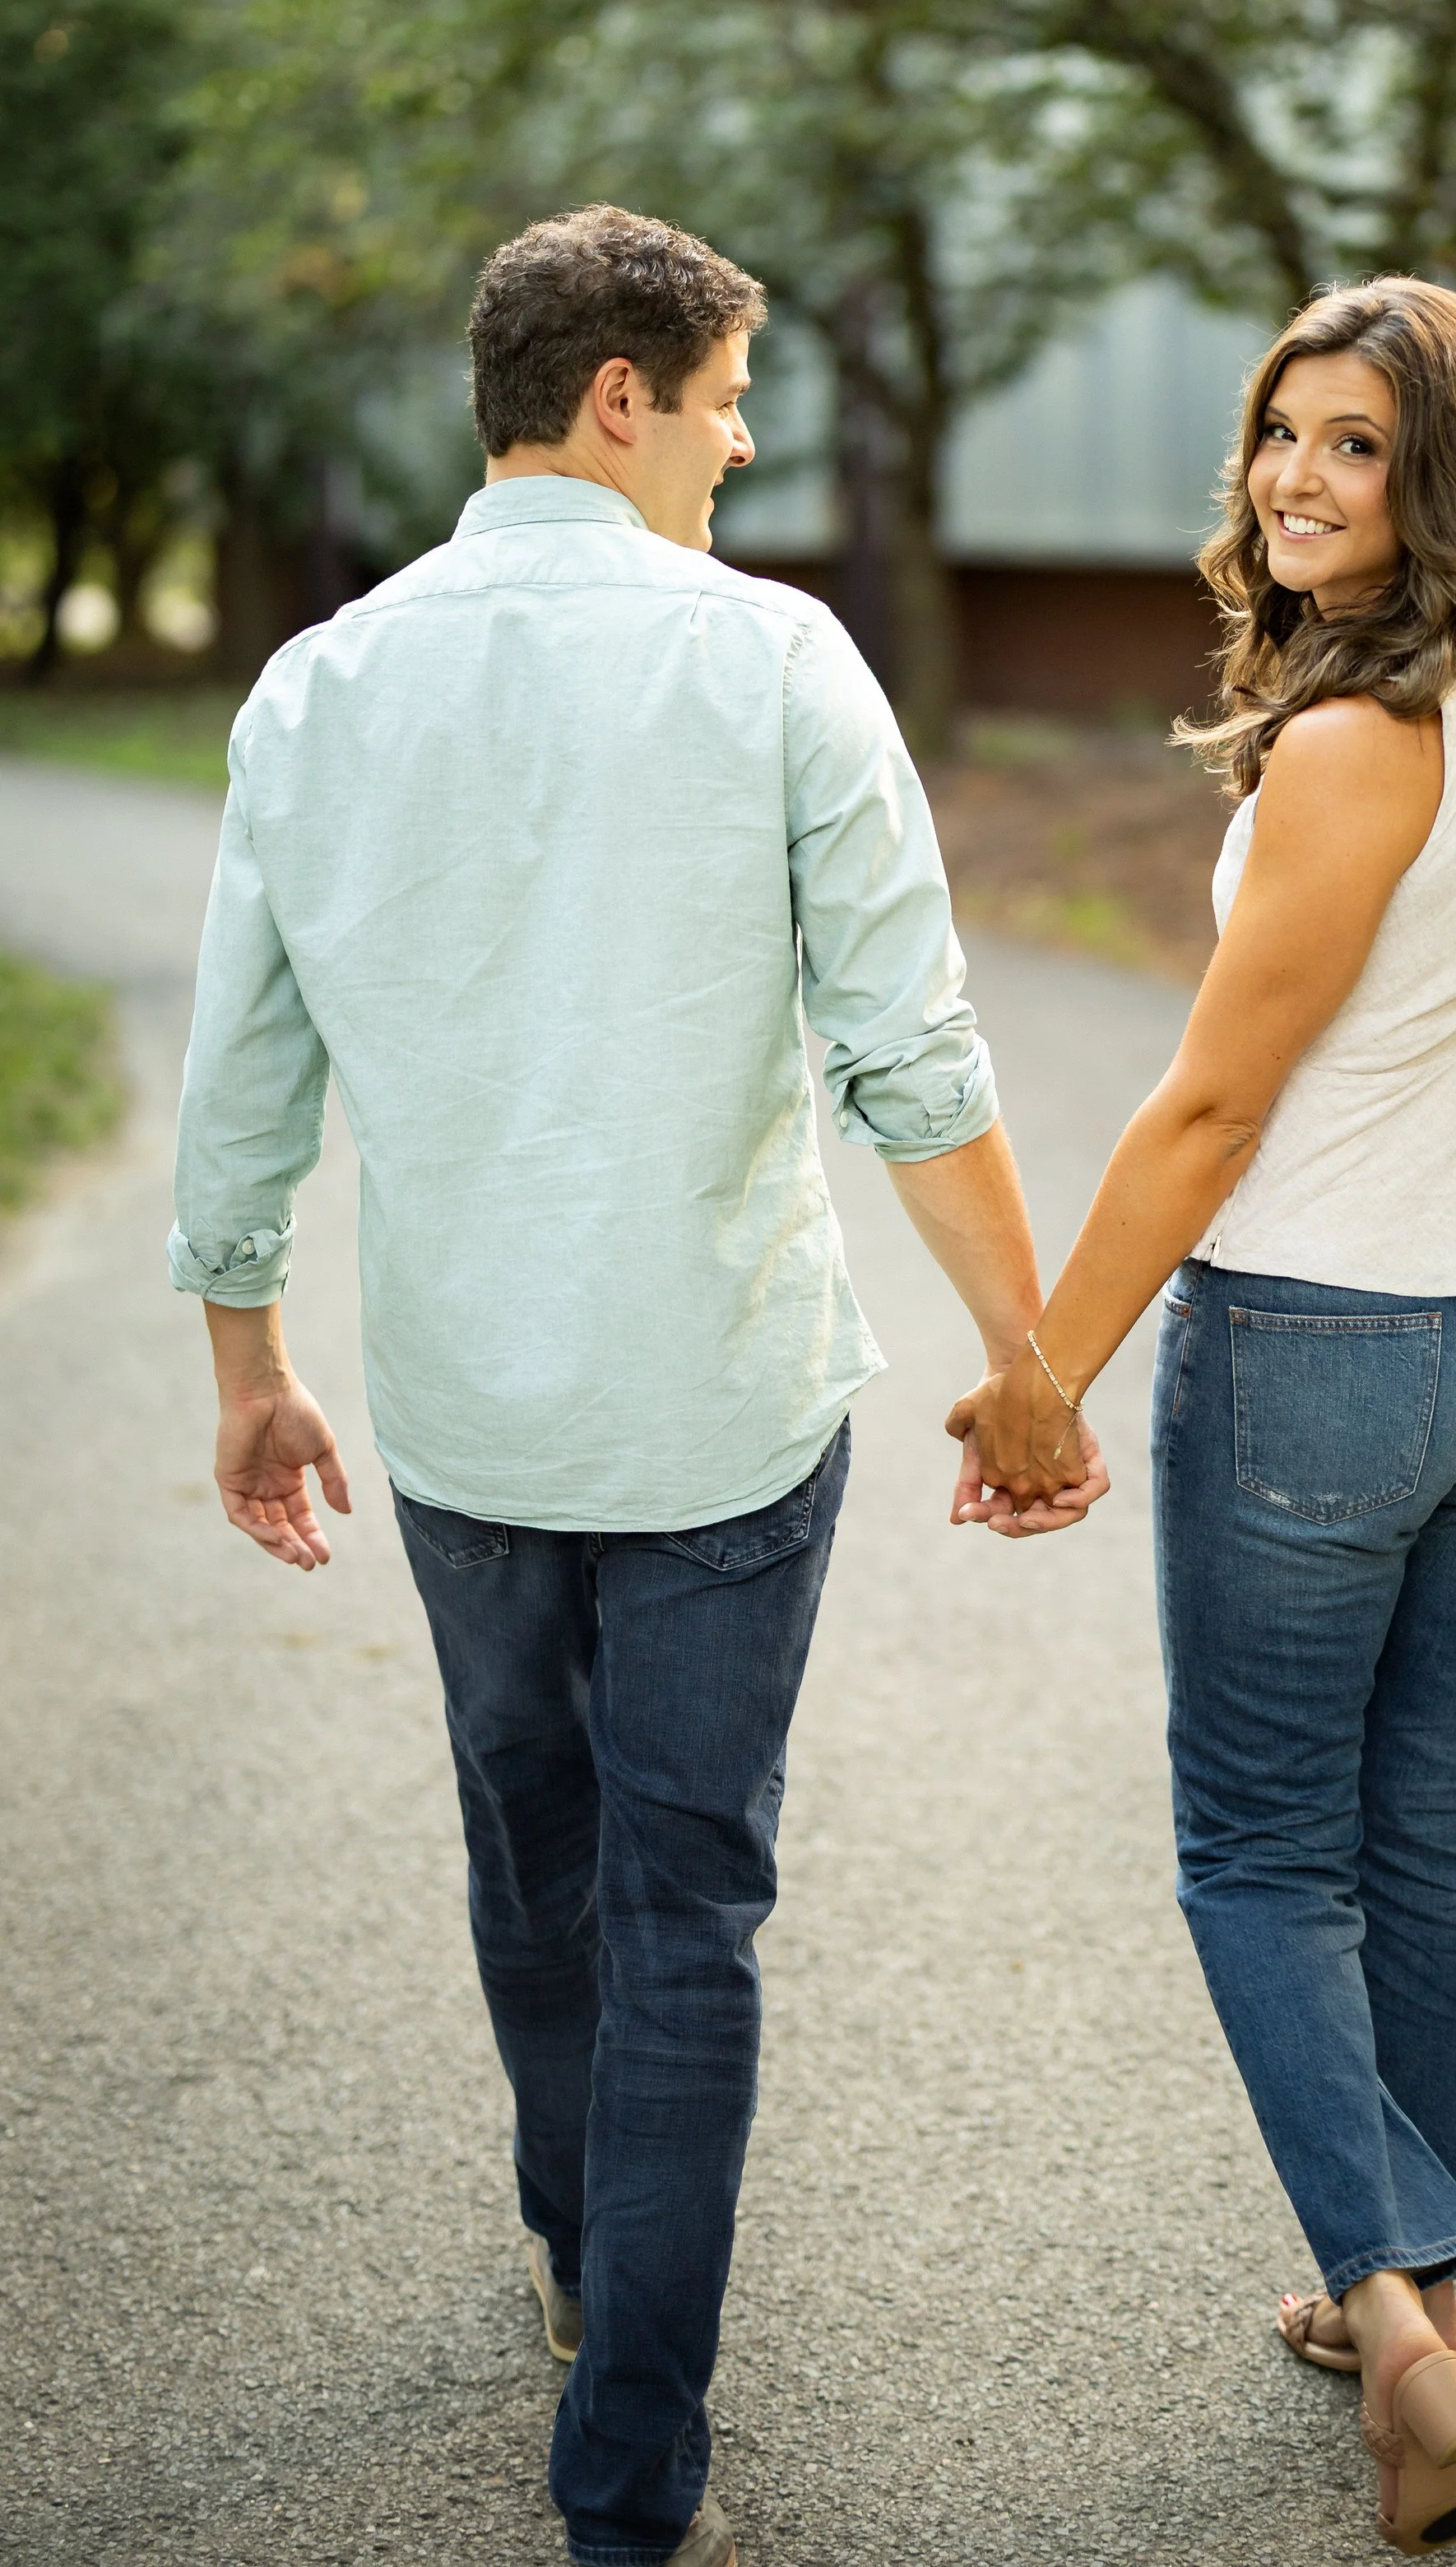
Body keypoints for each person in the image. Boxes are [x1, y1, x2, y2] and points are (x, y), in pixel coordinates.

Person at [169, 204, 1101, 2567]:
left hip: (469, 1419)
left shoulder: (318, 686)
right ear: (620, 396)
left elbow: (241, 1081)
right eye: (722, 403)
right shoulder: (777, 662)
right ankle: (629, 2462)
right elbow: (913, 1052)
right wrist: (1029, 1356)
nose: (740, 443)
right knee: (686, 1905)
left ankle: (594, 2247)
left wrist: (252, 1366)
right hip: (717, 1414)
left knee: (532, 1841)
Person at [952, 278, 1456, 2554]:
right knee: (1438, 1817)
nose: (1291, 477)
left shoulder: (1355, 747)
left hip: (1323, 1357)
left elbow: (1205, 1105)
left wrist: (1039, 1370)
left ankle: (1388, 2313)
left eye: (1351, 444)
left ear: (1438, 471)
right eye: (1279, 433)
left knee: (1267, 1847)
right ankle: (1421, 2272)